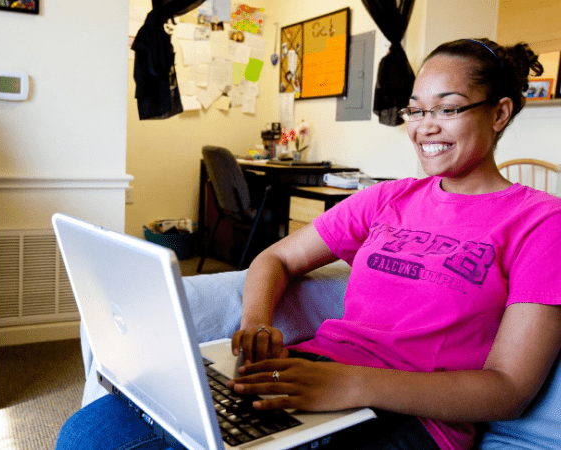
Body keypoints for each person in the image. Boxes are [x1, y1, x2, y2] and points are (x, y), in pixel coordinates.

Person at [56, 38, 561, 450]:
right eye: (415, 110)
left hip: (413, 415)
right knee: (90, 434)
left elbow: (509, 390)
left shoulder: (541, 221)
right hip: (314, 372)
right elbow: (274, 257)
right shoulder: (389, 198)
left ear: (498, 114)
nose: (424, 127)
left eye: (447, 110)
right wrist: (256, 324)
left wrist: (351, 384)